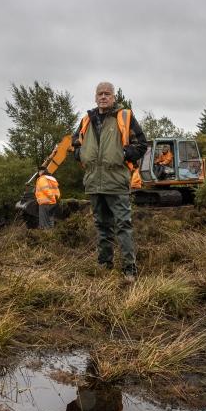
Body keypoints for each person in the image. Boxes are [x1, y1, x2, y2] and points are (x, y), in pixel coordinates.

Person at [72, 82, 147, 282]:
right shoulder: (86, 119)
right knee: (102, 226)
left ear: (113, 97)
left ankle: (129, 270)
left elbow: (141, 145)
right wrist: (82, 155)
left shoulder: (124, 116)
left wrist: (123, 154)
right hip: (94, 182)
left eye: (107, 94)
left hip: (116, 182)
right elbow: (75, 144)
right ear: (95, 97)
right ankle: (104, 265)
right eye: (100, 94)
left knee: (123, 225)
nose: (103, 97)